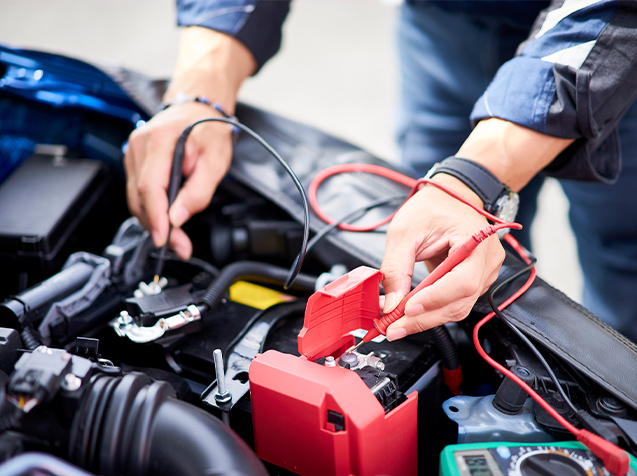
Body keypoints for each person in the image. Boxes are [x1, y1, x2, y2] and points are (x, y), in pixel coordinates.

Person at [125, 0, 637, 342]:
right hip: (445, 20)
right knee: (431, 253)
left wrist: (473, 178)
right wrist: (198, 92)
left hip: (615, 54)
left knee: (622, 260)